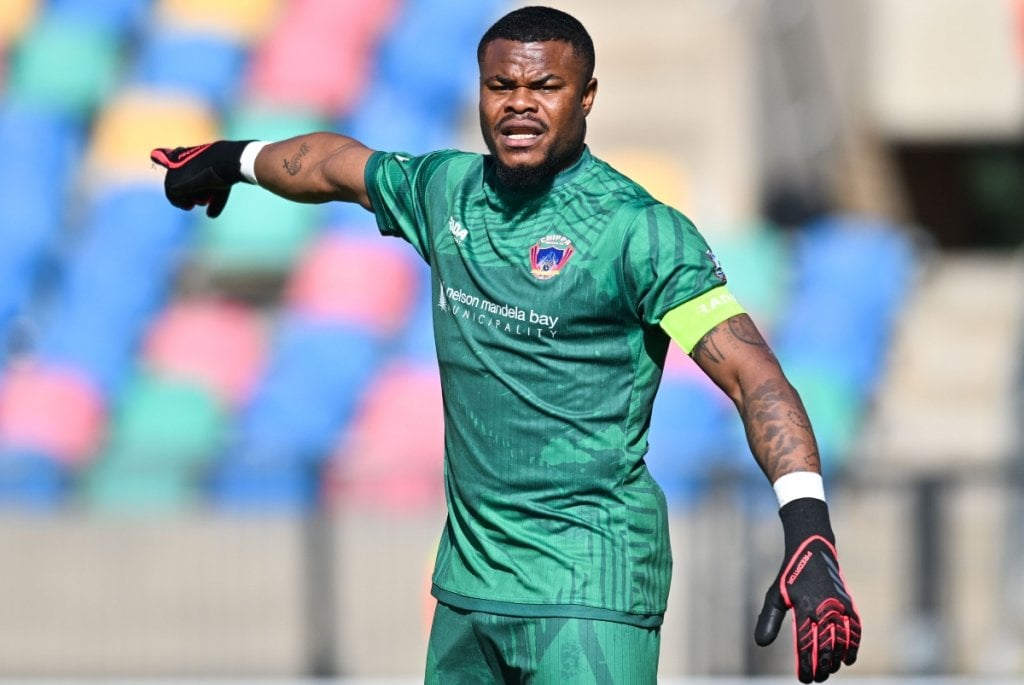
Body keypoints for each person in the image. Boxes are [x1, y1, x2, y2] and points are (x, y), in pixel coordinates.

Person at [151, 6, 860, 683]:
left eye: (545, 86)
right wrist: (234, 158)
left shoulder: (640, 230)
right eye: (502, 85)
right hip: (468, 589)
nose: (520, 103)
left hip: (589, 585)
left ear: (586, 97)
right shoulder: (446, 192)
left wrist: (808, 526)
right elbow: (337, 164)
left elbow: (753, 375)